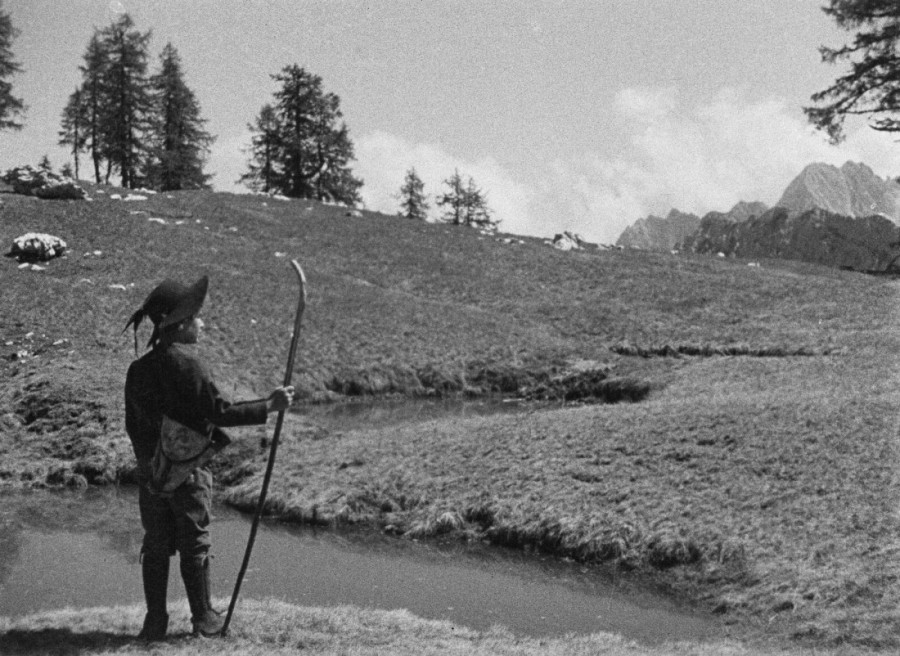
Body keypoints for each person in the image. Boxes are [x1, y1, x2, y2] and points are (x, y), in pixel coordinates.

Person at [123, 275, 293, 640]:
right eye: (196, 317)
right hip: (189, 474)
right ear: (180, 324)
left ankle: (154, 623)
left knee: (155, 544)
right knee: (194, 541)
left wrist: (153, 466)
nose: (202, 323)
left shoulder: (138, 370)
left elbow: (132, 426)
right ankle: (204, 619)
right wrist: (270, 405)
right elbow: (220, 412)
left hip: (152, 475)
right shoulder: (189, 366)